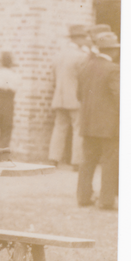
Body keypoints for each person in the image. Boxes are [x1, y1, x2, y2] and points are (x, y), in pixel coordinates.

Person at [77, 30, 120, 210]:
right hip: (108, 126)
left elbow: (79, 95)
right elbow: (119, 98)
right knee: (110, 162)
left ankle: (83, 197)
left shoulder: (85, 66)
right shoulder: (114, 69)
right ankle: (106, 200)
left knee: (87, 161)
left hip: (87, 123)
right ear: (111, 51)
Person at [48, 25, 91, 167]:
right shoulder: (82, 56)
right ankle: (76, 162)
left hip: (59, 98)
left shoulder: (58, 55)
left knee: (59, 127)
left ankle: (54, 159)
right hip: (75, 99)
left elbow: (53, 79)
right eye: (84, 37)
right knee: (78, 129)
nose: (86, 40)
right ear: (77, 38)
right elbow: (84, 79)